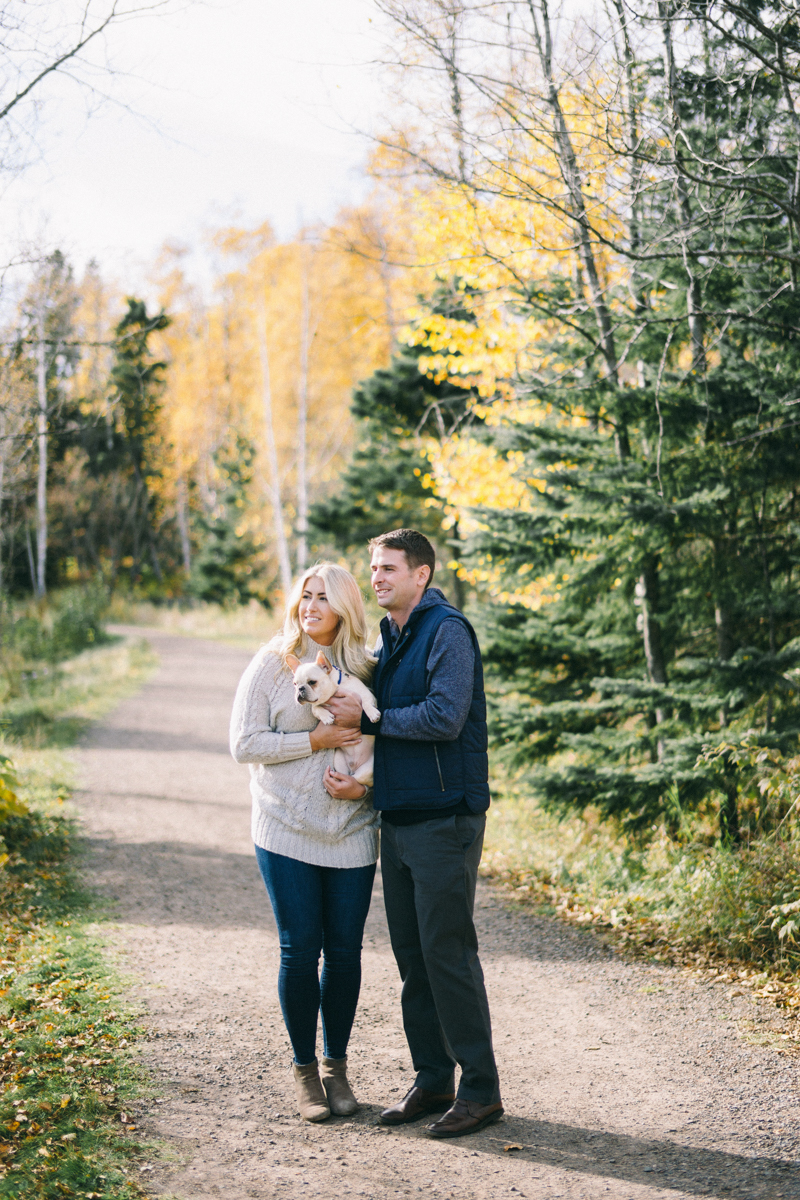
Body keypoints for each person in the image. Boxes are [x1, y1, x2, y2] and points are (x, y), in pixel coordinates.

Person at [326, 528, 502, 1138]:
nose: (377, 577)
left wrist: (367, 718)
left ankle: (481, 1090)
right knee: (413, 961)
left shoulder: (446, 631)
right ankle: (433, 1080)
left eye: (389, 569)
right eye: (373, 567)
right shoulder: (390, 635)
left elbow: (445, 716)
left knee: (447, 954)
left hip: (445, 818)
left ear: (421, 574)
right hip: (398, 818)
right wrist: (366, 784)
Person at [230, 562, 379, 1123]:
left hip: (353, 832)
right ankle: (304, 1073)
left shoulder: (368, 667)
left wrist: (365, 789)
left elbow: (386, 743)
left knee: (343, 954)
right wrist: (312, 740)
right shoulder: (271, 665)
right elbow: (244, 743)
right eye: (305, 596)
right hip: (285, 828)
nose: (310, 606)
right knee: (300, 949)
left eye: (323, 598)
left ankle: (337, 1068)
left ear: (345, 607)